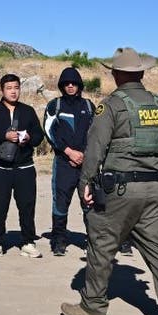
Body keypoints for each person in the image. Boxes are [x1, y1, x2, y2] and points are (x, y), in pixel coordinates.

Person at [60, 48, 158, 315]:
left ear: (117, 75)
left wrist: (86, 184)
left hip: (120, 189)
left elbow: (95, 148)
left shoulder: (112, 106)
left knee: (101, 243)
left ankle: (93, 306)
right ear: (142, 73)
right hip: (155, 189)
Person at [0, 74, 46, 258]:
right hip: (1, 168)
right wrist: (5, 136)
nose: (13, 91)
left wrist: (29, 138)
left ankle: (27, 241)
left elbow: (39, 135)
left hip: (24, 167)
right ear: (2, 90)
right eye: (9, 88)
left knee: (27, 206)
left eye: (16, 87)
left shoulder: (28, 111)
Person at [43, 67, 95, 256]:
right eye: (66, 83)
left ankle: (93, 242)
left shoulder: (89, 106)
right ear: (62, 86)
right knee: (60, 203)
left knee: (89, 202)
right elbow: (49, 130)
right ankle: (59, 241)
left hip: (86, 164)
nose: (70, 86)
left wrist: (83, 155)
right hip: (63, 163)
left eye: (73, 83)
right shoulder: (54, 105)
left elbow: (96, 134)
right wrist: (69, 152)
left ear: (79, 85)